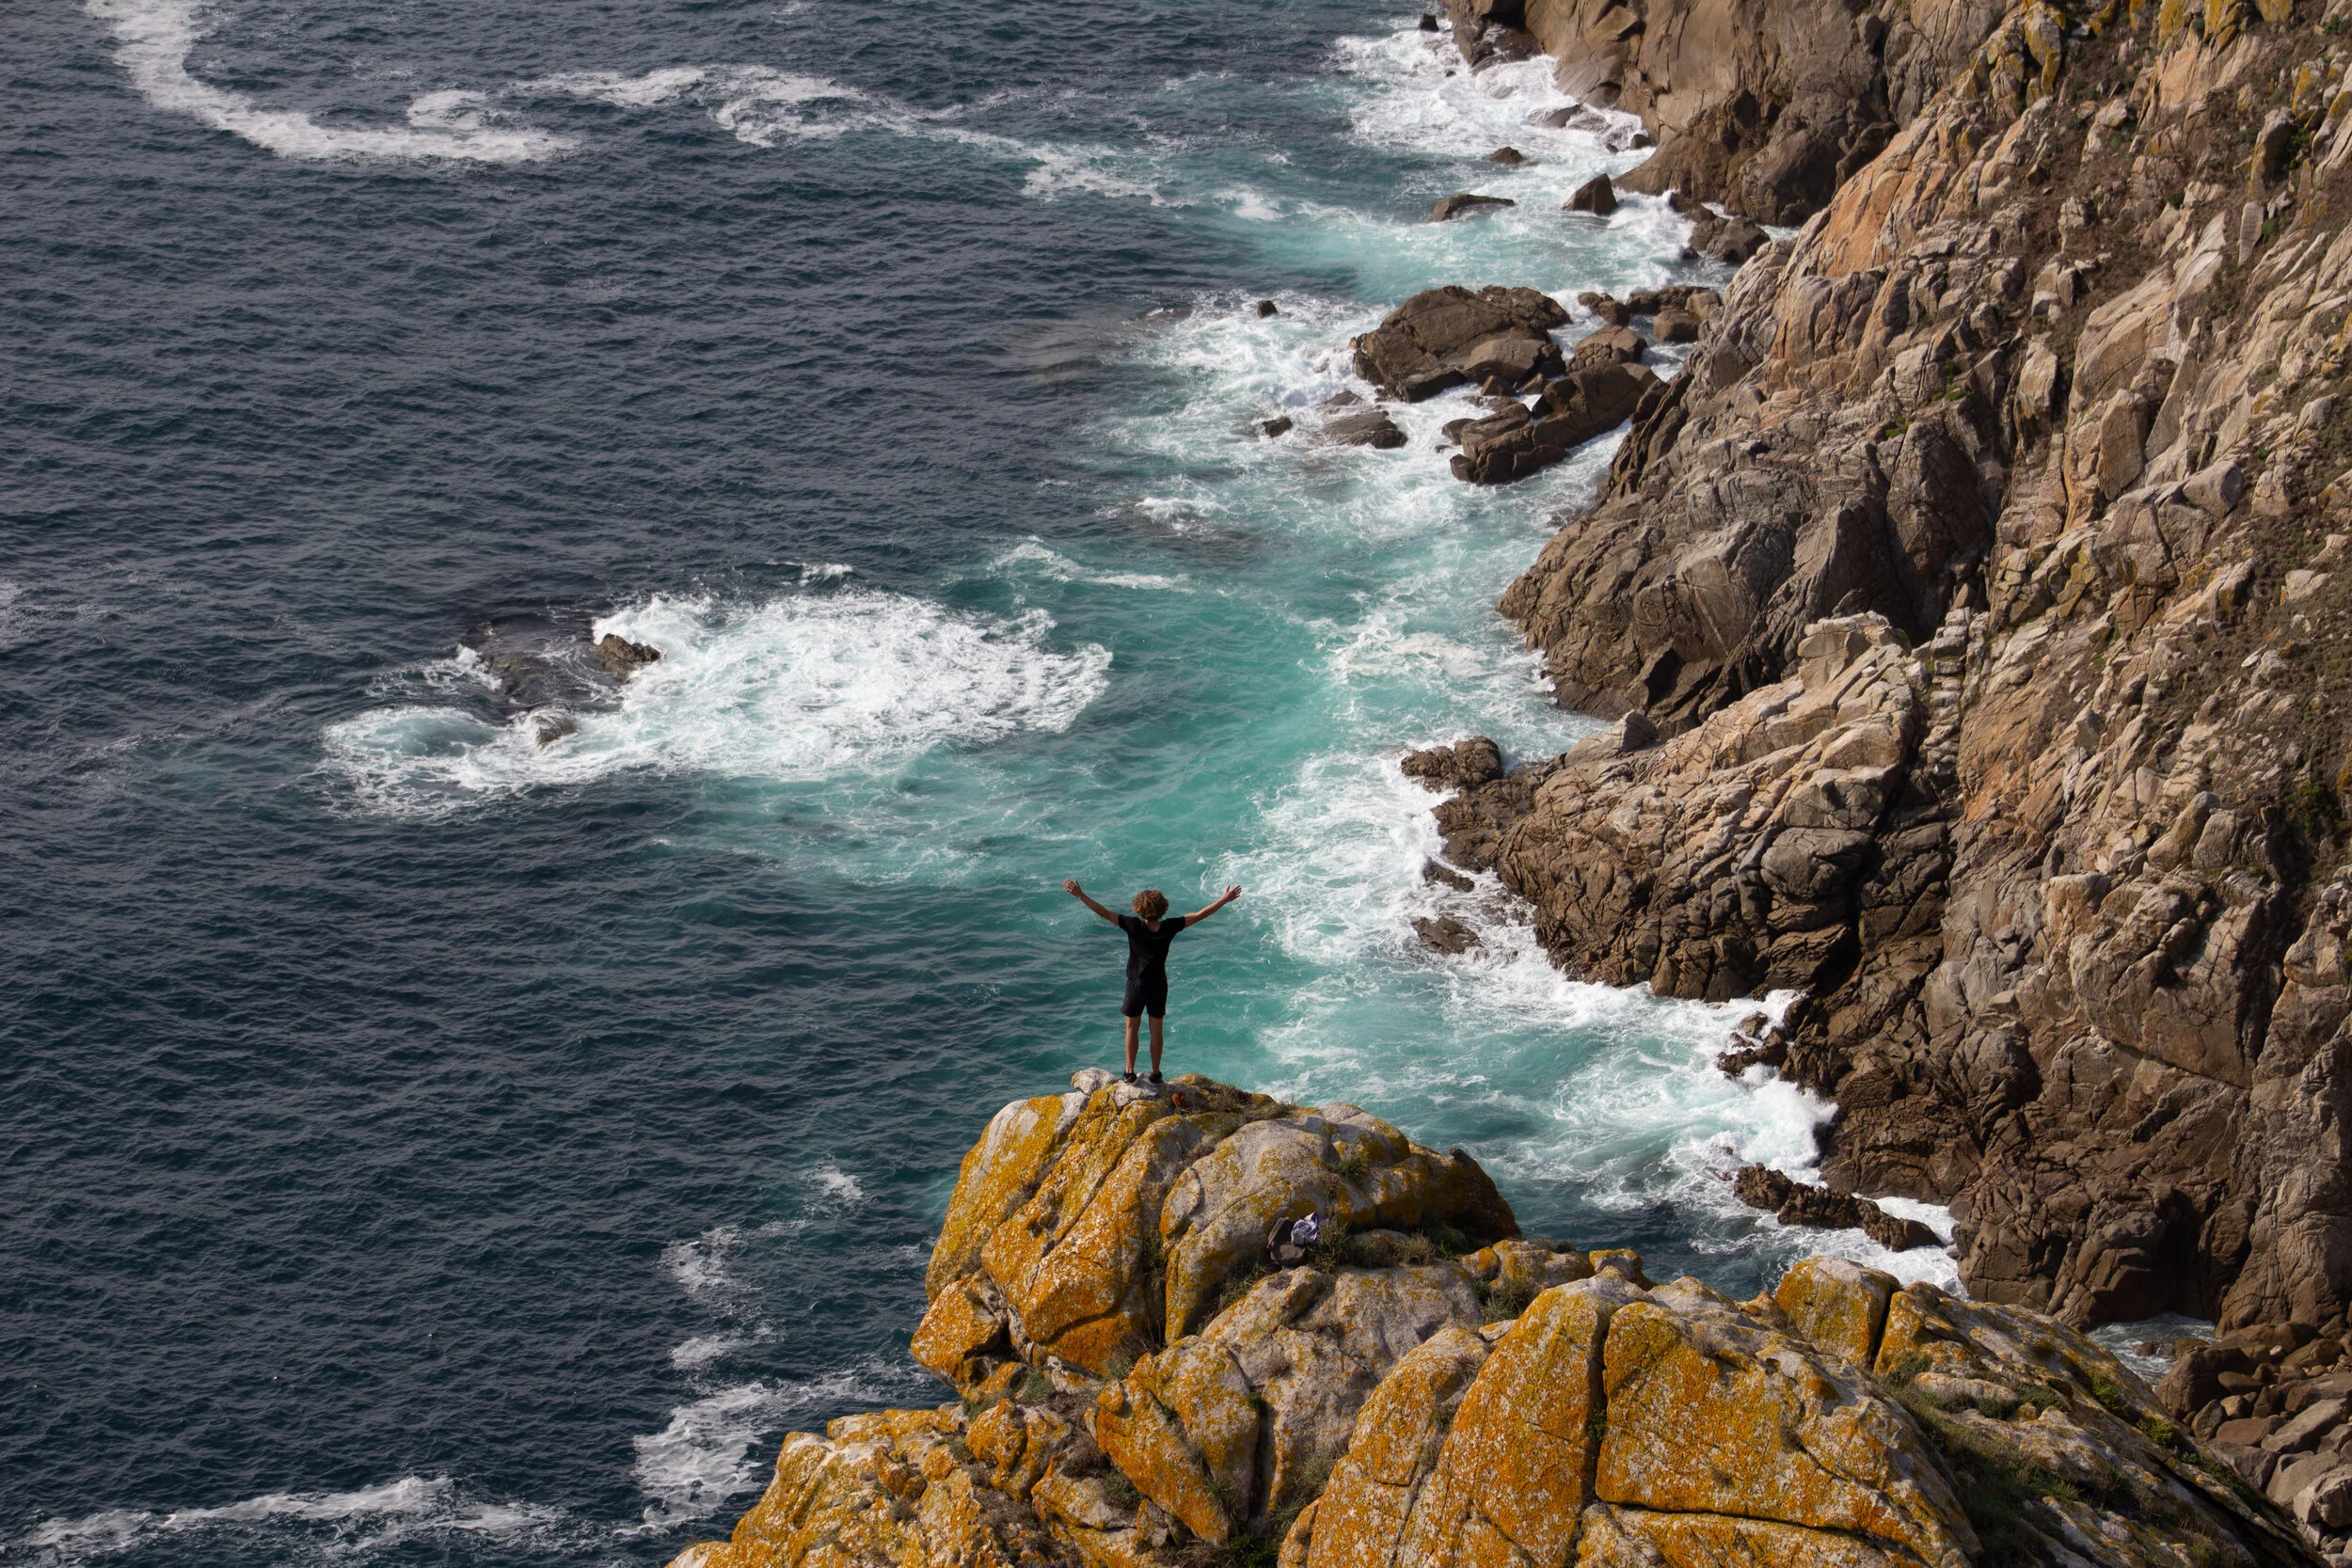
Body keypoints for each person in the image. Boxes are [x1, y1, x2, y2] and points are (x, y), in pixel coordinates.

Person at [1063, 879, 1241, 1084]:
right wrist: (1224, 900)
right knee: (1156, 1031)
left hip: (1135, 985)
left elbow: (1103, 912)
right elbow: (1200, 915)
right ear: (1162, 908)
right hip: (1158, 985)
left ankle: (1129, 1073)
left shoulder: (1133, 925)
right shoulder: (1170, 927)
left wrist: (1081, 895)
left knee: (1132, 1028)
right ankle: (1156, 1074)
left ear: (1139, 908)